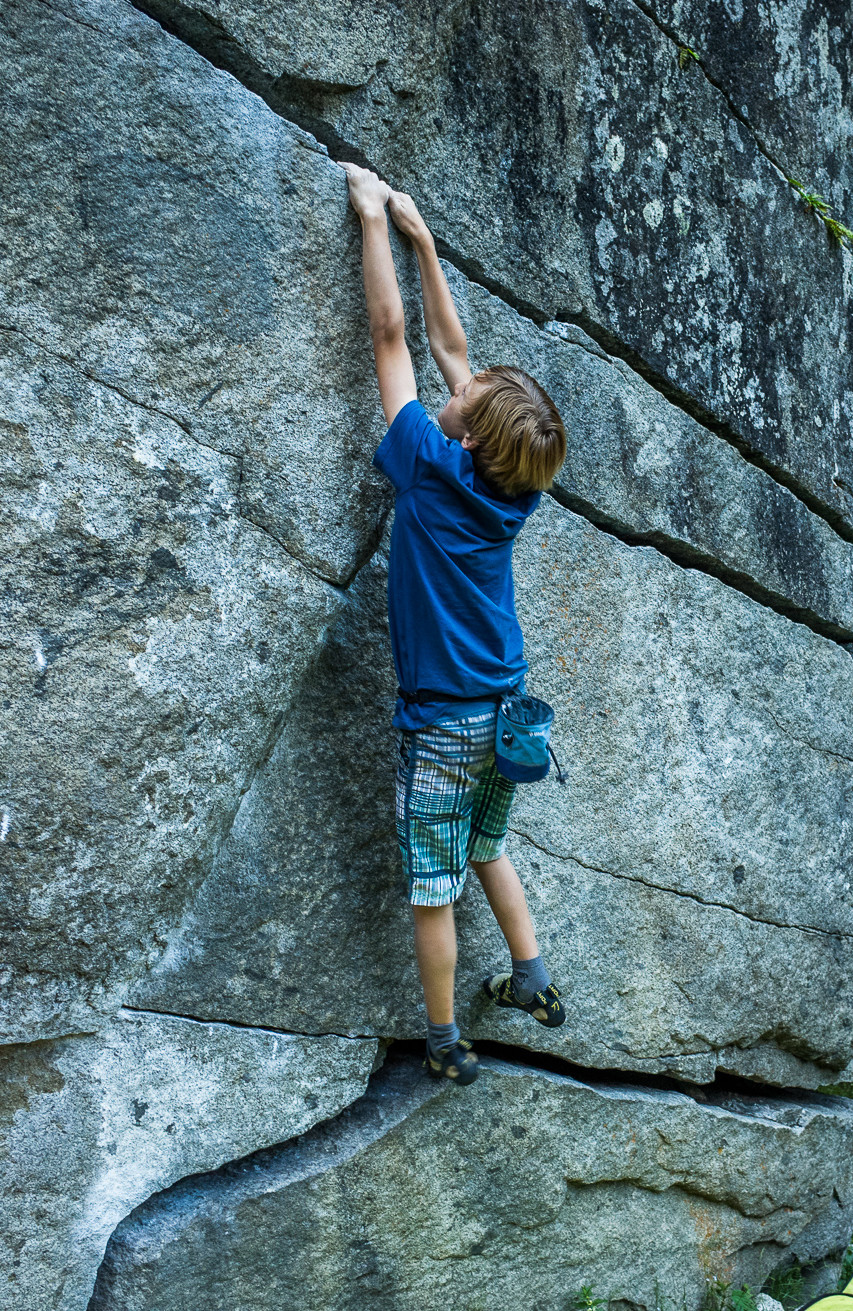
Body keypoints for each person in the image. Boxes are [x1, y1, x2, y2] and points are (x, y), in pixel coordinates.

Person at [340, 161, 568, 1086]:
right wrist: (424, 239)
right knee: (488, 844)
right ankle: (532, 976)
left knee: (431, 886)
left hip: (441, 726)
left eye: (464, 403)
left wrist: (369, 222)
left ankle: (442, 1039)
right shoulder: (510, 491)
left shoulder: (431, 472)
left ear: (467, 438)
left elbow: (393, 337)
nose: (455, 388)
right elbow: (450, 349)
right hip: (506, 713)